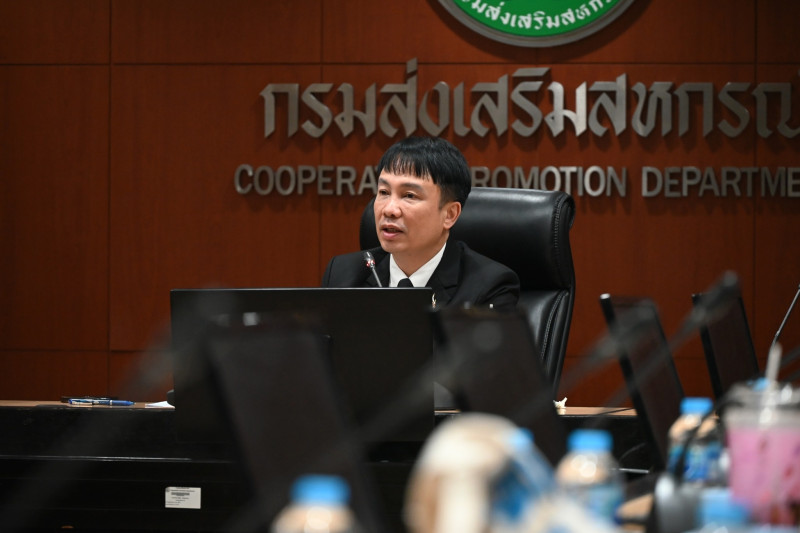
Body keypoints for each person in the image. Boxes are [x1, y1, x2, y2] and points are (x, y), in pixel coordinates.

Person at [321, 136, 520, 309]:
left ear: (450, 214)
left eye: (409, 195)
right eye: (383, 192)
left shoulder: (488, 287)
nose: (389, 209)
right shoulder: (343, 274)